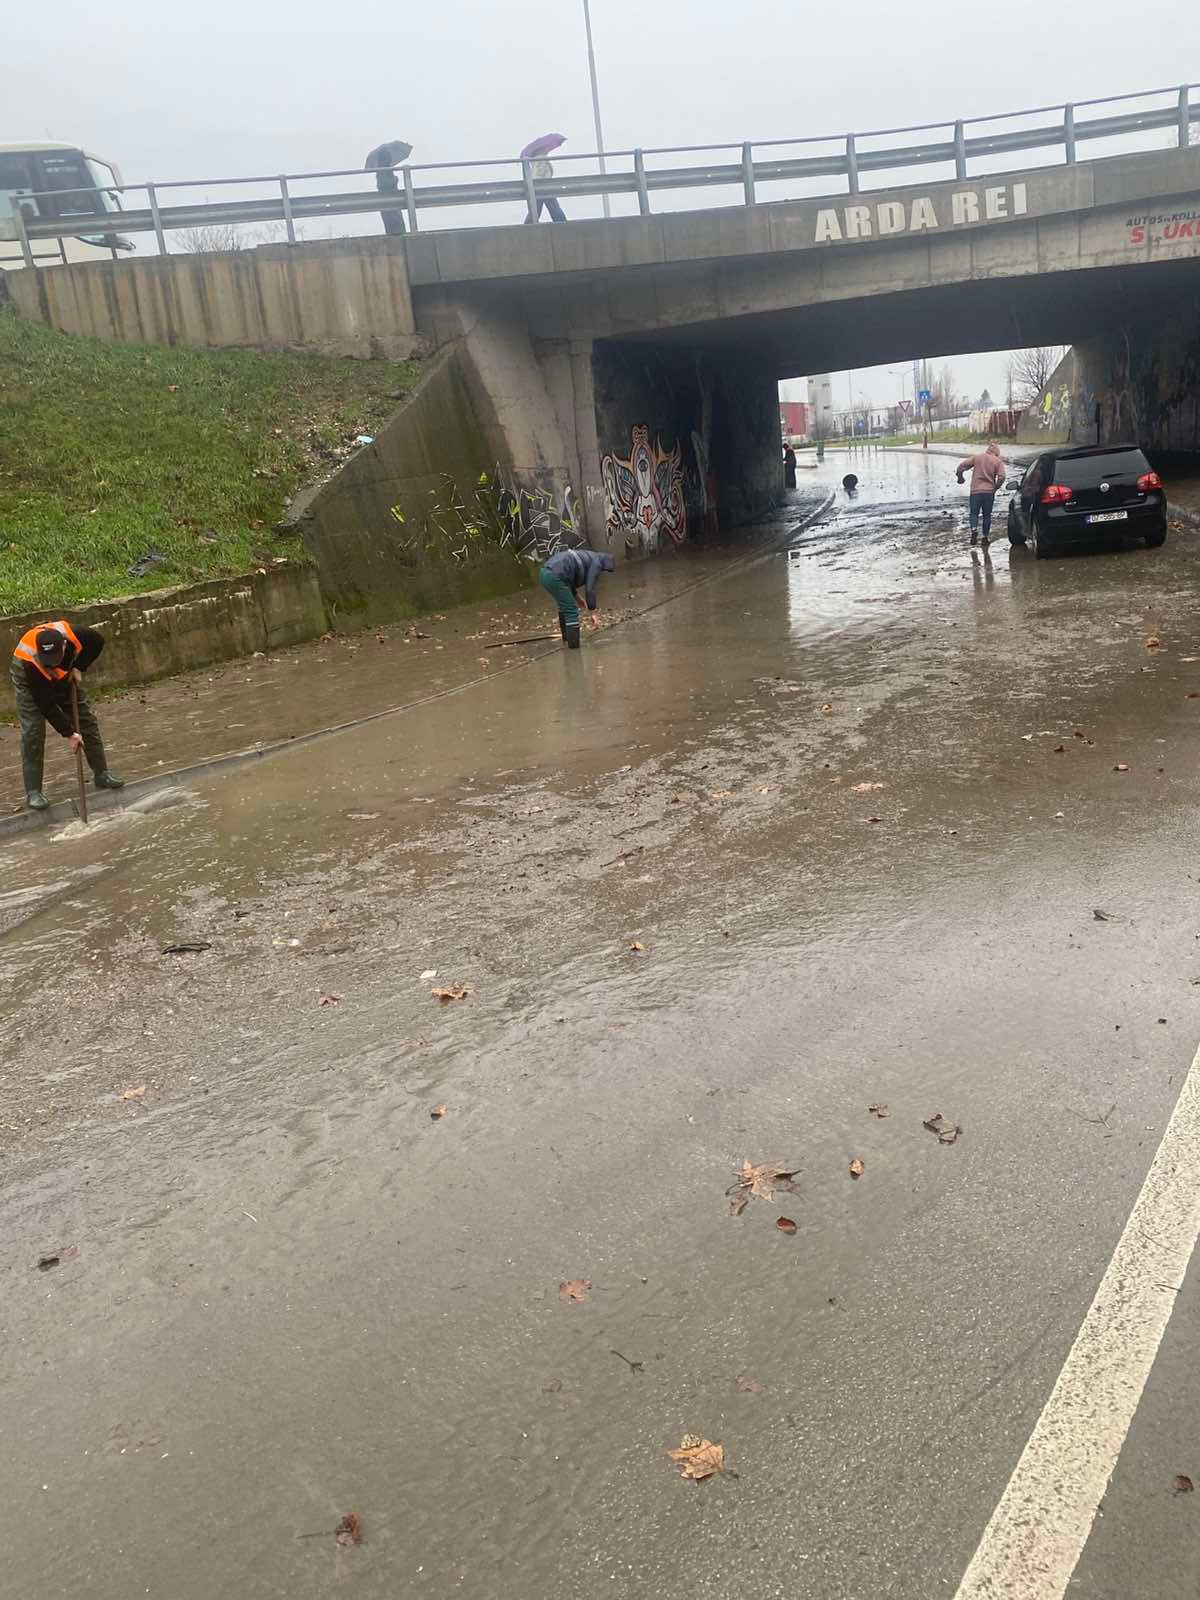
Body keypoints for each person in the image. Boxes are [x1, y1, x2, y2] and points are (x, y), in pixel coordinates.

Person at [10, 620, 123, 811]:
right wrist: (69, 733)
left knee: (86, 719)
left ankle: (102, 774)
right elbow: (46, 705)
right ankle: (34, 792)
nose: (52, 662)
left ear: (64, 645)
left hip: (65, 674)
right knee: (33, 732)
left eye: (56, 656)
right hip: (30, 683)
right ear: (40, 651)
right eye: (48, 659)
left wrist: (79, 666)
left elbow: (97, 642)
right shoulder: (30, 661)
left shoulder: (78, 634)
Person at [538, 547, 615, 648]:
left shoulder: (588, 555)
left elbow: (569, 576)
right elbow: (589, 588)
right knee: (571, 611)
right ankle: (574, 648)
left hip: (544, 574)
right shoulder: (597, 563)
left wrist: (578, 598)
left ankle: (567, 640)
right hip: (555, 576)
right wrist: (593, 612)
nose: (602, 571)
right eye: (605, 569)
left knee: (564, 607)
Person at [956, 441, 1007, 547]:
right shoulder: (997, 461)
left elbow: (962, 466)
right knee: (987, 515)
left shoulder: (977, 457)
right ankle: (985, 537)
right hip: (989, 492)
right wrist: (995, 487)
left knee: (974, 513)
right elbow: (1002, 477)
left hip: (975, 491)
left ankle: (974, 530)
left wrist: (960, 476)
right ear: (996, 453)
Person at [365, 141, 412, 237]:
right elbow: (388, 184)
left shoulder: (380, 172)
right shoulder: (385, 172)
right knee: (397, 226)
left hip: (386, 204)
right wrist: (396, 179)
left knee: (390, 226)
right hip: (392, 203)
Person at [524, 156, 567, 224]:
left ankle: (527, 226)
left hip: (538, 187)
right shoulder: (541, 160)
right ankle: (563, 224)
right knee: (553, 207)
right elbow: (543, 174)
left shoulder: (535, 161)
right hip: (544, 187)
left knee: (536, 209)